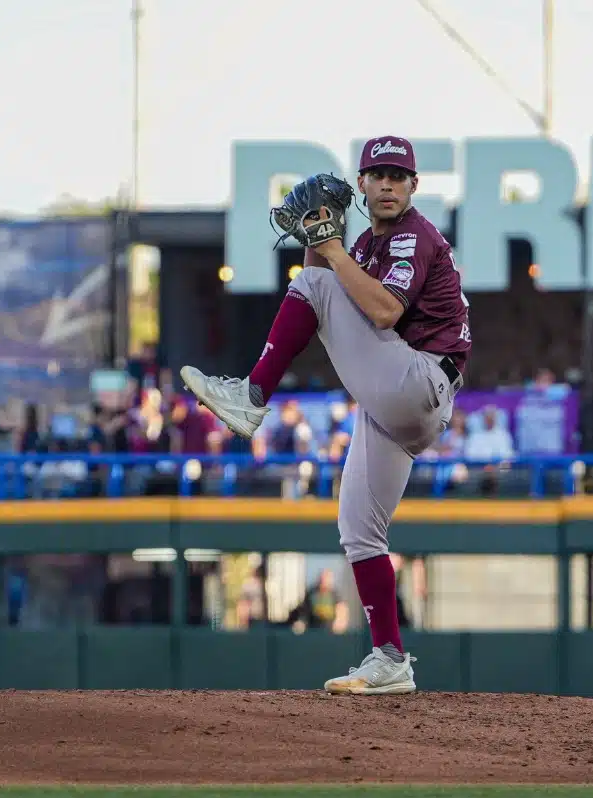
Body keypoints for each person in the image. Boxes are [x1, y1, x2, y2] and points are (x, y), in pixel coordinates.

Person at [179, 135, 469, 695]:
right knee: (359, 531)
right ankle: (389, 659)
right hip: (400, 401)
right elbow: (327, 286)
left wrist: (329, 253)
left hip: (419, 381)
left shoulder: (413, 236)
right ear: (361, 184)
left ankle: (252, 398)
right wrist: (316, 241)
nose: (387, 184)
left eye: (398, 176)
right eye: (377, 175)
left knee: (313, 281)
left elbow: (382, 311)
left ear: (413, 186)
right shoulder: (363, 244)